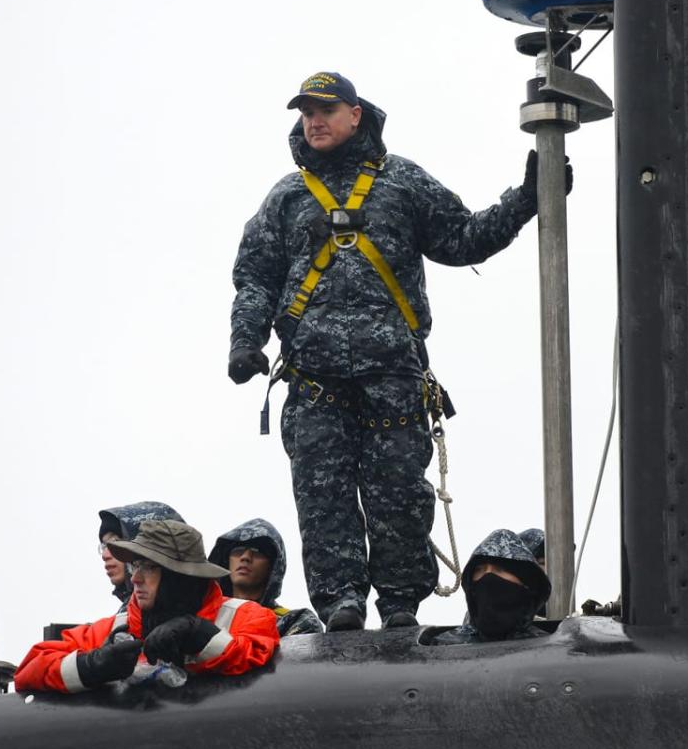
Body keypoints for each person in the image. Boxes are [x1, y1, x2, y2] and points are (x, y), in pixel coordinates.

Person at [228, 71, 568, 633]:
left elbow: (463, 238)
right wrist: (245, 340)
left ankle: (400, 605)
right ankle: (340, 602)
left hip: (392, 375)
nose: (314, 121)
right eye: (307, 112)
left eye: (326, 110)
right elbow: (256, 278)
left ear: (355, 114)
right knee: (323, 498)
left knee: (399, 495)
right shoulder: (287, 198)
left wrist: (528, 199)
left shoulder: (401, 182)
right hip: (314, 379)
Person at [15, 521, 280, 693]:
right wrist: (92, 665)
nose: (134, 578)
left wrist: (198, 634)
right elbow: (30, 669)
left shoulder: (244, 616)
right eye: (135, 566)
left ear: (181, 577)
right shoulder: (115, 628)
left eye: (149, 567)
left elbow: (258, 650)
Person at [433, 529, 552, 645]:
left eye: (500, 569)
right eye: (480, 570)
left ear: (525, 583)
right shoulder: (442, 647)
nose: (488, 576)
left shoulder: (553, 650)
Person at [208, 518, 324, 636]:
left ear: (274, 566)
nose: (245, 557)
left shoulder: (294, 621)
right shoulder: (202, 616)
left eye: (258, 552)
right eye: (238, 550)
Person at [97, 502, 184, 607]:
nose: (105, 555)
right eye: (104, 546)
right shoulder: (127, 618)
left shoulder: (199, 617)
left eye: (115, 542)